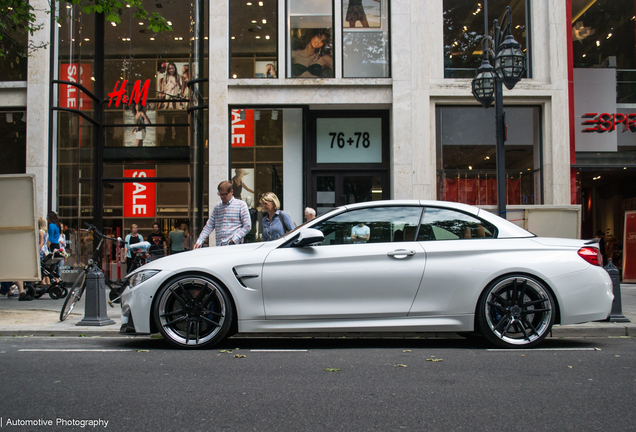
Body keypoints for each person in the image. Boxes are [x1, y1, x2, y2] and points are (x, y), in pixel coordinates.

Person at [194, 181, 252, 247]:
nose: (222, 197)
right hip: (220, 246)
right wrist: (199, 241)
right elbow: (209, 226)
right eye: (220, 194)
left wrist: (234, 240)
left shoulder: (241, 205)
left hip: (235, 246)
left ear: (231, 192)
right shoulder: (217, 206)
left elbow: (247, 226)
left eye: (225, 194)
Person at [38, 217, 50, 285]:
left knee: (40, 266)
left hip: (41, 251)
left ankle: (43, 281)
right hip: (45, 250)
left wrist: (38, 249)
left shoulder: (40, 231)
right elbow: (47, 242)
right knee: (44, 267)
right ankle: (45, 281)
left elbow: (41, 242)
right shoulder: (45, 232)